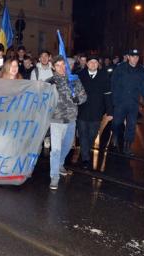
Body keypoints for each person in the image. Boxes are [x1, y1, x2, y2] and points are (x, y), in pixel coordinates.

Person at [46, 56, 87, 190]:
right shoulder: (50, 82)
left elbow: (84, 96)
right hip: (56, 120)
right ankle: (54, 177)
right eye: (57, 65)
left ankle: (60, 164)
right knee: (55, 150)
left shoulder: (74, 80)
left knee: (68, 146)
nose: (61, 68)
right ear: (53, 67)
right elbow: (43, 100)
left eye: (63, 65)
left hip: (71, 119)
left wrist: (77, 99)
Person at [111, 49, 144, 156]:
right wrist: (114, 100)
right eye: (133, 56)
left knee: (131, 125)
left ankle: (127, 147)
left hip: (133, 102)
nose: (135, 59)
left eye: (137, 57)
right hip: (120, 102)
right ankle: (115, 135)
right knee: (117, 123)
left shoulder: (141, 70)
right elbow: (113, 84)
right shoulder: (120, 68)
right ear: (128, 57)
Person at [77, 55, 113, 169]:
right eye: (91, 62)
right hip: (82, 111)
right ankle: (85, 158)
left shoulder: (104, 76)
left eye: (95, 62)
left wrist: (110, 111)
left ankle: (85, 150)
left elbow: (107, 94)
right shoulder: (79, 75)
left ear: (98, 64)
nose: (93, 64)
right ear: (87, 64)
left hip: (96, 112)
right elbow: (74, 92)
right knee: (83, 135)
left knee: (92, 135)